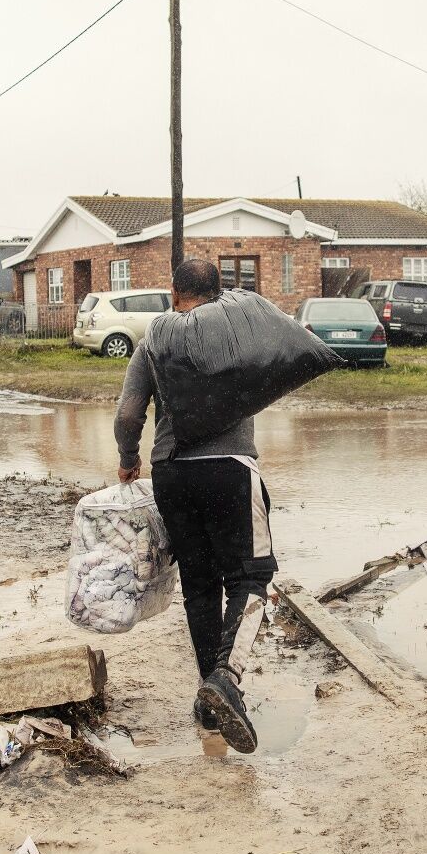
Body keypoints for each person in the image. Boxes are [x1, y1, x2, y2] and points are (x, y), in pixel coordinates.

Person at [113, 258, 270, 753]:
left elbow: (128, 414)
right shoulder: (239, 337)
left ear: (174, 294)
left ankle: (209, 700)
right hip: (230, 470)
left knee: (200, 587)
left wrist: (127, 460)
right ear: (218, 294)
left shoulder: (153, 343)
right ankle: (227, 678)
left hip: (172, 474)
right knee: (251, 579)